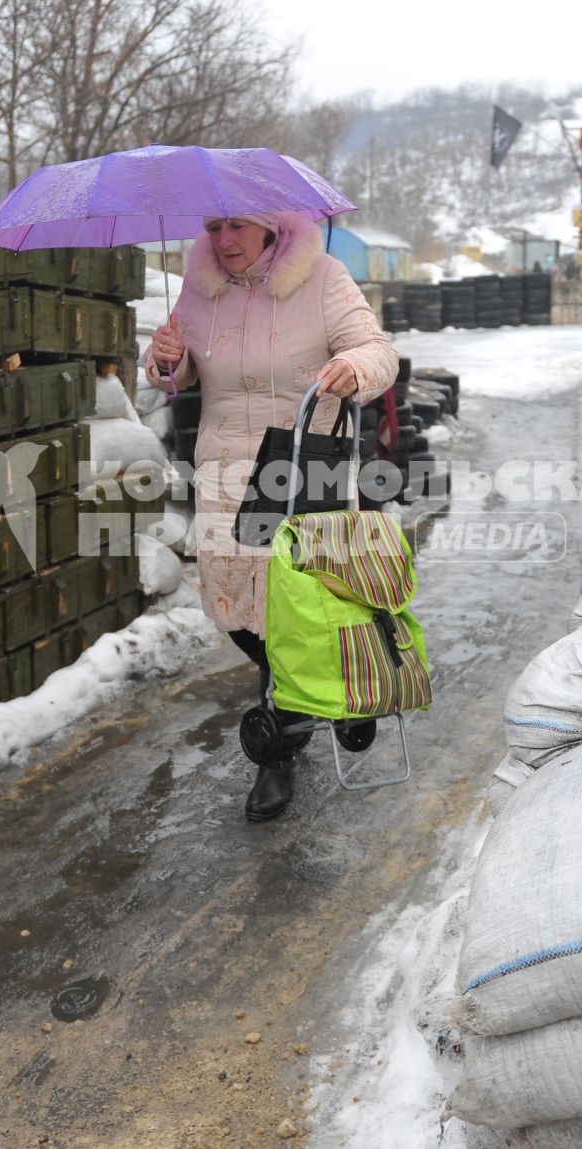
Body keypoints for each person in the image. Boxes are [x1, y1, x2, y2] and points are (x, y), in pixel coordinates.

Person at [144, 211, 397, 822]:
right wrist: (165, 361)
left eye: (237, 226)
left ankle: (277, 750)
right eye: (211, 227)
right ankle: (334, 691)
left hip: (309, 472)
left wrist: (354, 368)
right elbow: (170, 383)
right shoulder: (197, 292)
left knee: (300, 605)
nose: (223, 240)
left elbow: (379, 352)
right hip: (229, 476)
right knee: (242, 618)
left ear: (269, 229)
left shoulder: (324, 277)